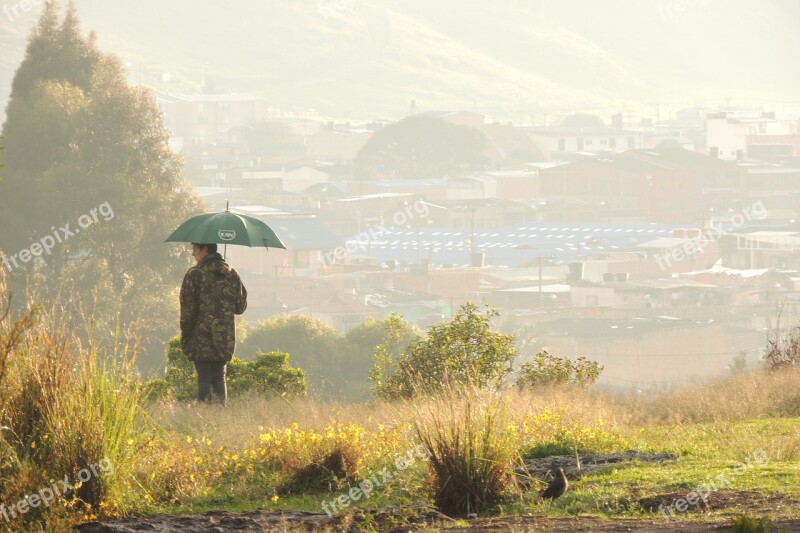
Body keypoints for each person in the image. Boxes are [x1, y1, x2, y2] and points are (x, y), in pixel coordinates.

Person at [180, 242, 247, 405]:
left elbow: (187, 310)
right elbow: (240, 307)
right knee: (219, 376)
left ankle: (203, 415)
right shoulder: (232, 274)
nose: (193, 254)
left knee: (204, 377)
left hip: (200, 334)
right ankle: (219, 415)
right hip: (224, 337)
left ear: (205, 250)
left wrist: (186, 334)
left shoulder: (194, 274)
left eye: (195, 250)